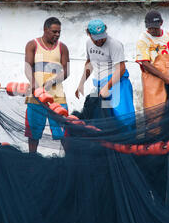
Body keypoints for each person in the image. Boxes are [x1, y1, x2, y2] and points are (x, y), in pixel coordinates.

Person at [75, 19, 135, 128]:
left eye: (102, 37)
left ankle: (126, 142)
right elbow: (89, 63)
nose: (100, 41)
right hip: (99, 85)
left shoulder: (115, 44)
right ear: (89, 34)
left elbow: (121, 68)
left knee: (122, 117)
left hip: (118, 84)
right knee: (100, 116)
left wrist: (107, 87)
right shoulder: (88, 43)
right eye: (96, 39)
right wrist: (81, 83)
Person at [24, 17, 70, 153]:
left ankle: (68, 161)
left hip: (57, 98)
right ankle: (32, 160)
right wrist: (35, 85)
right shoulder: (32, 44)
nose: (57, 35)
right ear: (45, 30)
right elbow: (27, 68)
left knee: (64, 133)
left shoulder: (63, 48)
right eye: (54, 32)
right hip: (35, 97)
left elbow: (66, 72)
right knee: (33, 134)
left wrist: (52, 81)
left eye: (59, 32)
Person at [135, 10, 169, 109]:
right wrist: (164, 77)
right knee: (154, 110)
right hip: (153, 82)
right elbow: (145, 63)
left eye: (155, 28)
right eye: (150, 28)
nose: (152, 31)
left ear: (161, 23)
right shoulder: (143, 39)